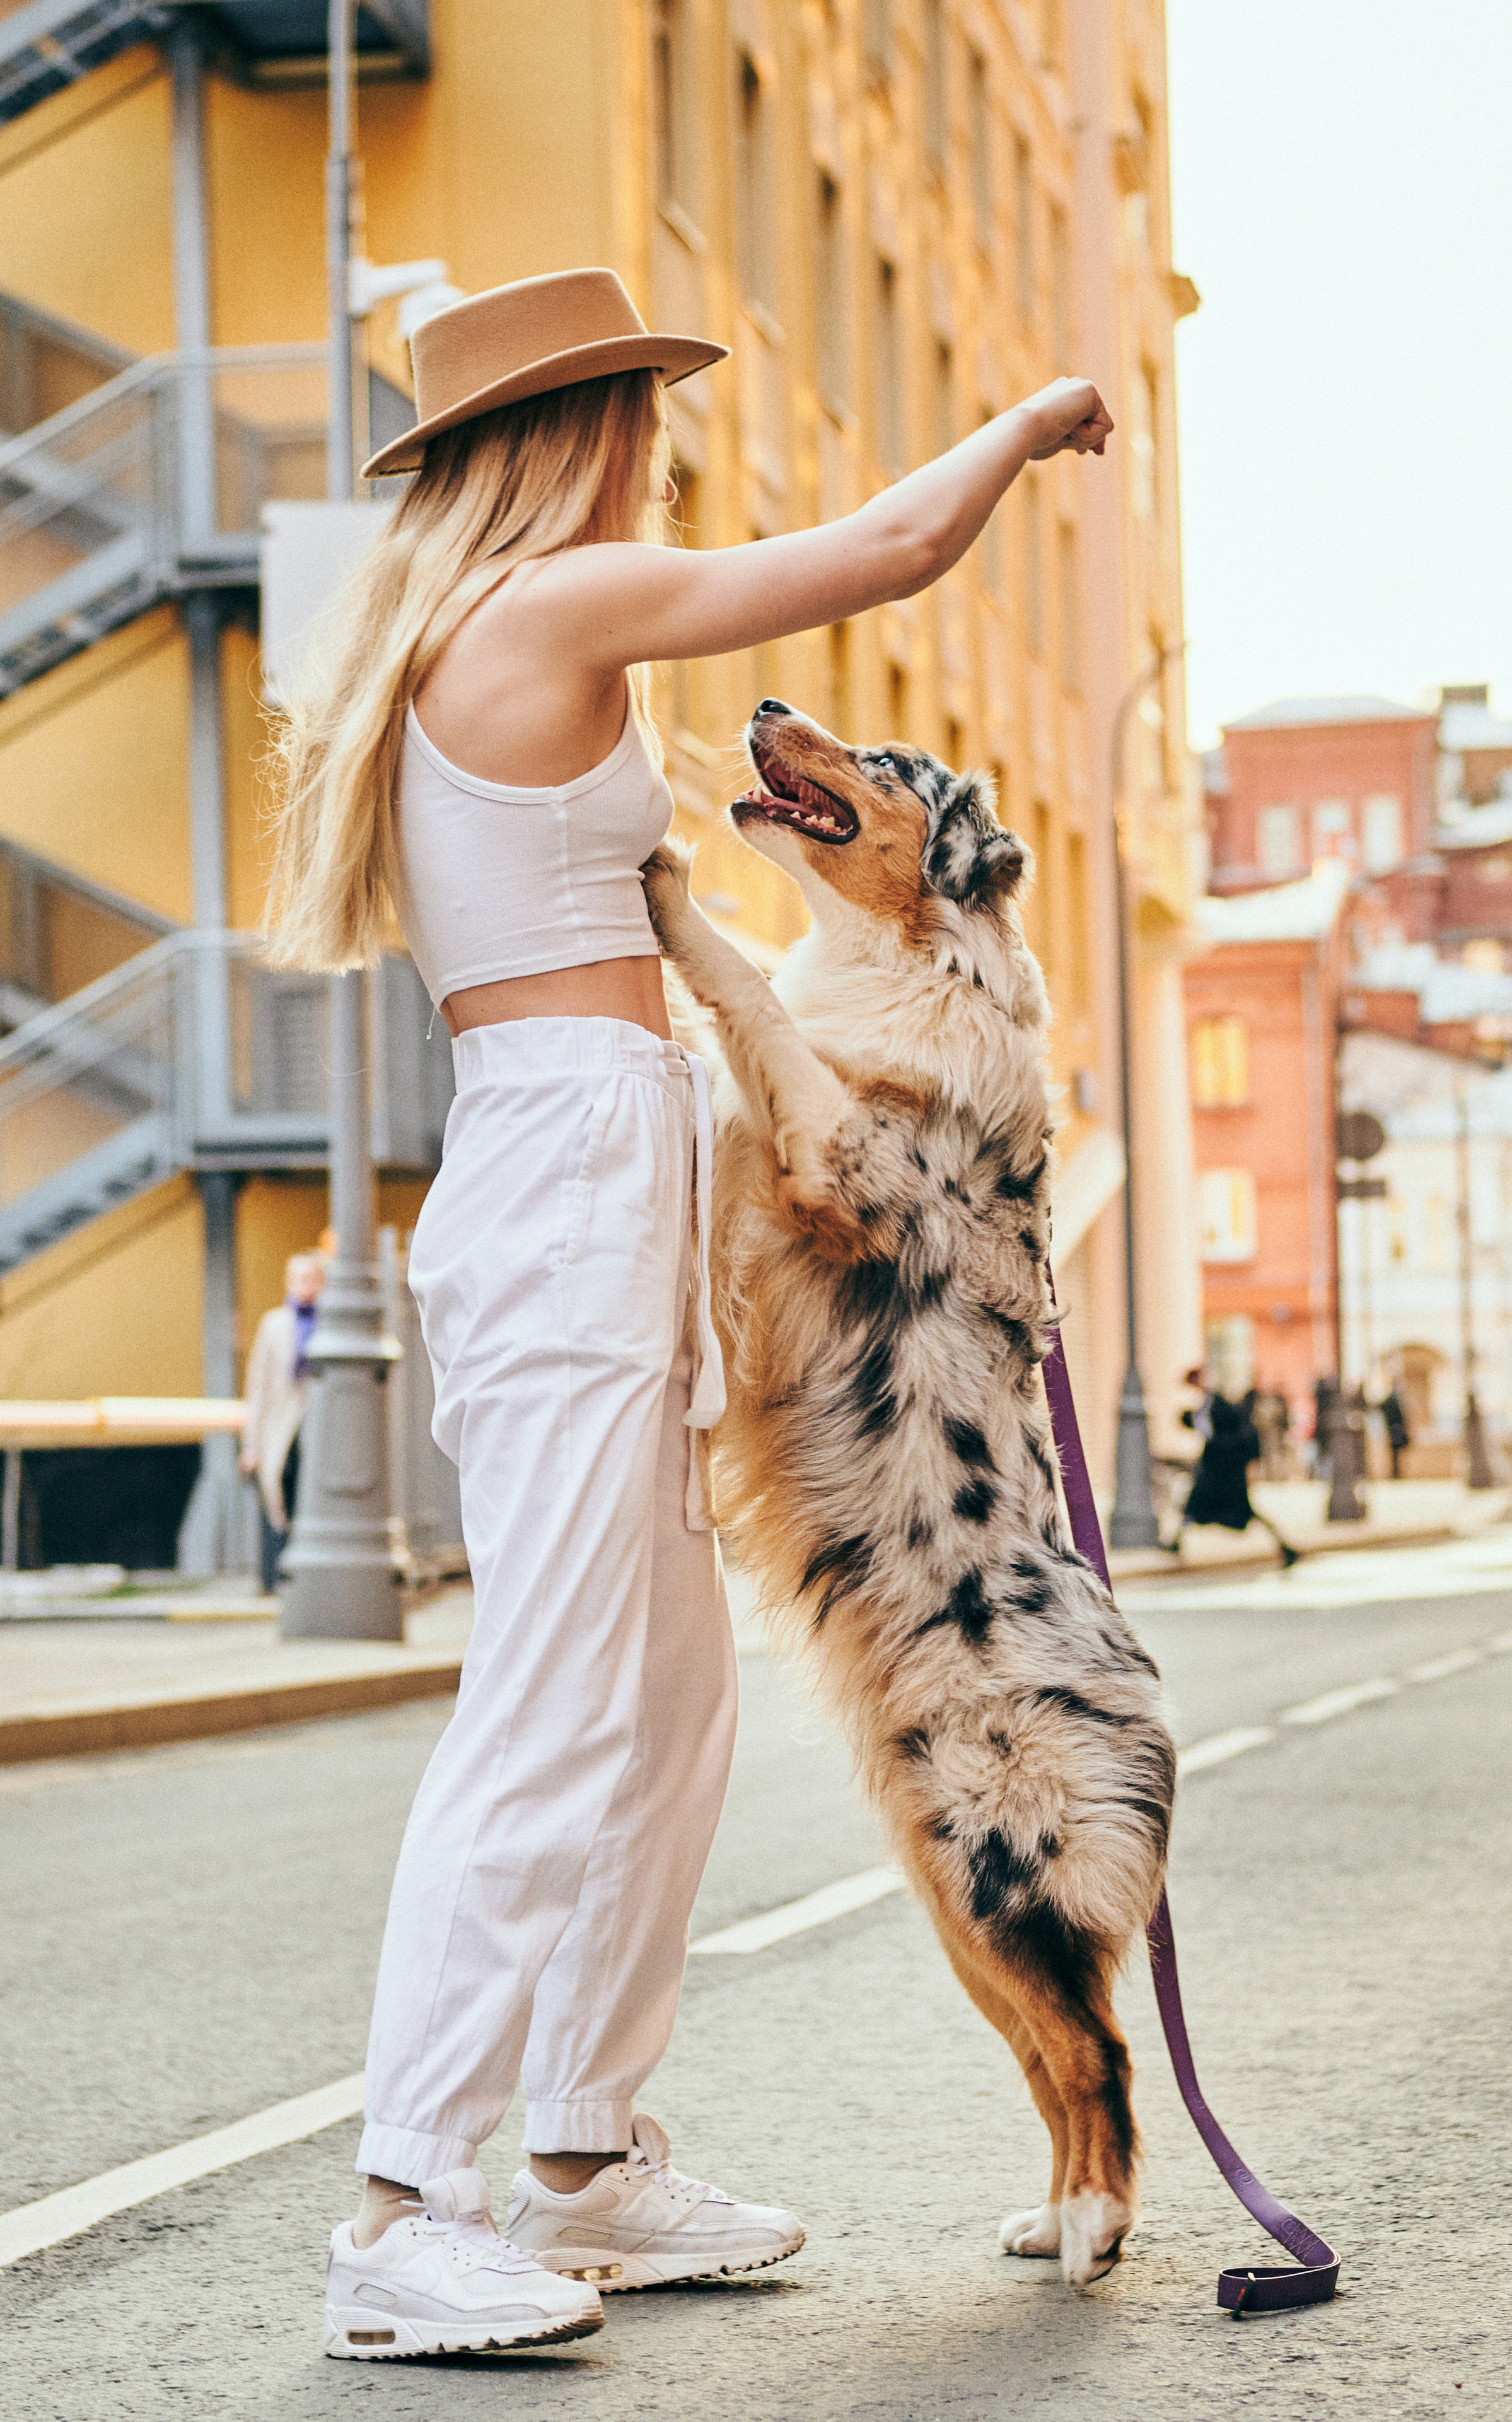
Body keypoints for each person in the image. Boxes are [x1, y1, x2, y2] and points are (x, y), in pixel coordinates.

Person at [267, 266, 1115, 2360]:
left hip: (611, 1155)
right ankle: (403, 2211)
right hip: (568, 1171)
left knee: (665, 1699)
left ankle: (583, 2158)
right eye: (638, 406)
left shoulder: (497, 627)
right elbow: (885, 554)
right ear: (578, 435)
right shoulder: (547, 611)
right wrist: (1024, 428)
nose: (659, 440)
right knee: (558, 1702)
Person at [239, 1249, 324, 1590]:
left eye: (310, 1278)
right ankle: (276, 1576)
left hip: (317, 1425)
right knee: (277, 1490)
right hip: (280, 1426)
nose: (304, 1285)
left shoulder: (331, 1319)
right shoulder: (274, 1324)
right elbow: (257, 1387)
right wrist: (251, 1445)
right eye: (297, 1278)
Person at [1168, 1371, 1302, 1568]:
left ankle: (1286, 1547)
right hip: (1216, 1470)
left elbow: (1230, 1433)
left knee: (1239, 1511)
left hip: (1226, 1472)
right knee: (1195, 1507)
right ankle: (1175, 1543)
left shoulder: (1217, 1403)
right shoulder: (1208, 1405)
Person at [1378, 1383, 1410, 1480]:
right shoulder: (1395, 1401)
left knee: (1396, 1454)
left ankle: (1396, 1474)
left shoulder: (1394, 1400)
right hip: (1395, 1430)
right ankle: (1396, 1474)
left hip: (1394, 1430)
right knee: (1395, 1454)